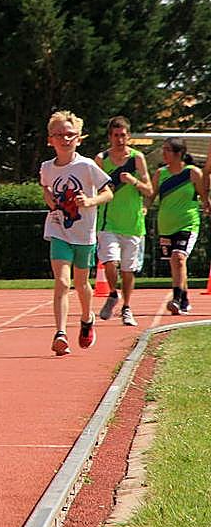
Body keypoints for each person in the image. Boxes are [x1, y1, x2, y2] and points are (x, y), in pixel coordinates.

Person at [41, 111, 113, 355]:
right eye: (59, 135)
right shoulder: (47, 168)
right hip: (59, 229)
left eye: (69, 134)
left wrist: (91, 201)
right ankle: (60, 333)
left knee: (81, 284)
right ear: (50, 140)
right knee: (62, 281)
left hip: (84, 235)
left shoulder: (87, 166)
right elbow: (46, 189)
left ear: (79, 139)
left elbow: (109, 192)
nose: (64, 139)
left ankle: (86, 318)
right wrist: (50, 198)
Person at [94, 117, 152, 327]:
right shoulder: (101, 159)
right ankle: (112, 293)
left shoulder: (137, 158)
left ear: (129, 136)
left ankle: (127, 307)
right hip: (108, 221)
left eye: (123, 135)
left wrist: (133, 181)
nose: (120, 139)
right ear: (110, 137)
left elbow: (149, 190)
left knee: (128, 270)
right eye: (116, 135)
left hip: (133, 223)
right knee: (110, 261)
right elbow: (94, 188)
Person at [152, 137, 205, 317]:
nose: (163, 153)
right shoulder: (160, 173)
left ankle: (175, 299)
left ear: (178, 153)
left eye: (167, 150)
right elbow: (150, 195)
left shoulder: (193, 173)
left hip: (188, 223)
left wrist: (207, 205)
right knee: (176, 263)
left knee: (179, 258)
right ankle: (184, 299)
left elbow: (204, 197)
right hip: (166, 225)